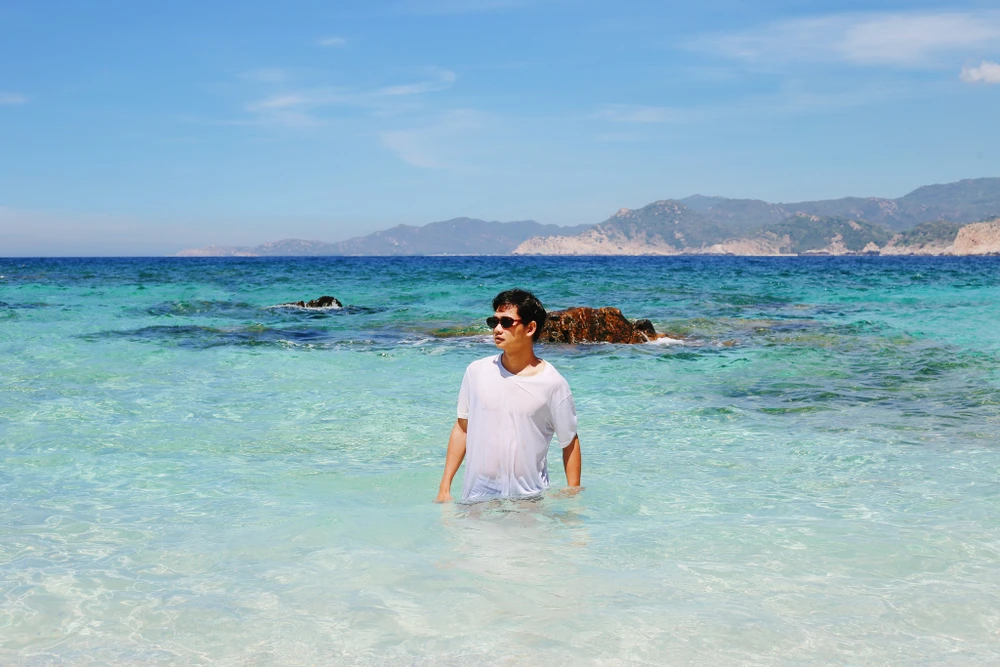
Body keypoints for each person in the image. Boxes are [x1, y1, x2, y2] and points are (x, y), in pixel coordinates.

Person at [435, 289, 582, 503]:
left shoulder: (553, 383)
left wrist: (573, 495)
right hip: (477, 498)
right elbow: (462, 427)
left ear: (530, 328)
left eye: (506, 322)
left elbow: (569, 440)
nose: (497, 329)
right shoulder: (476, 372)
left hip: (529, 500)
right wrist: (444, 486)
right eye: (493, 322)